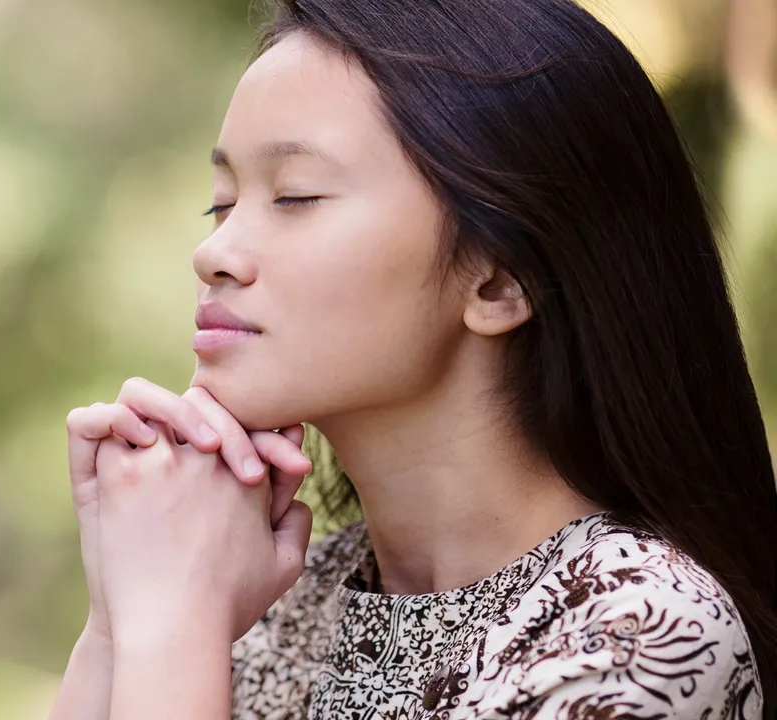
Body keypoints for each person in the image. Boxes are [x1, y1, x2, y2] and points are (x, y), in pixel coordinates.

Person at [48, 0, 777, 717]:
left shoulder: (638, 631)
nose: (213, 253)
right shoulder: (280, 606)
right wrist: (118, 623)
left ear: (498, 280)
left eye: (296, 196)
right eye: (222, 204)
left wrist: (173, 622)